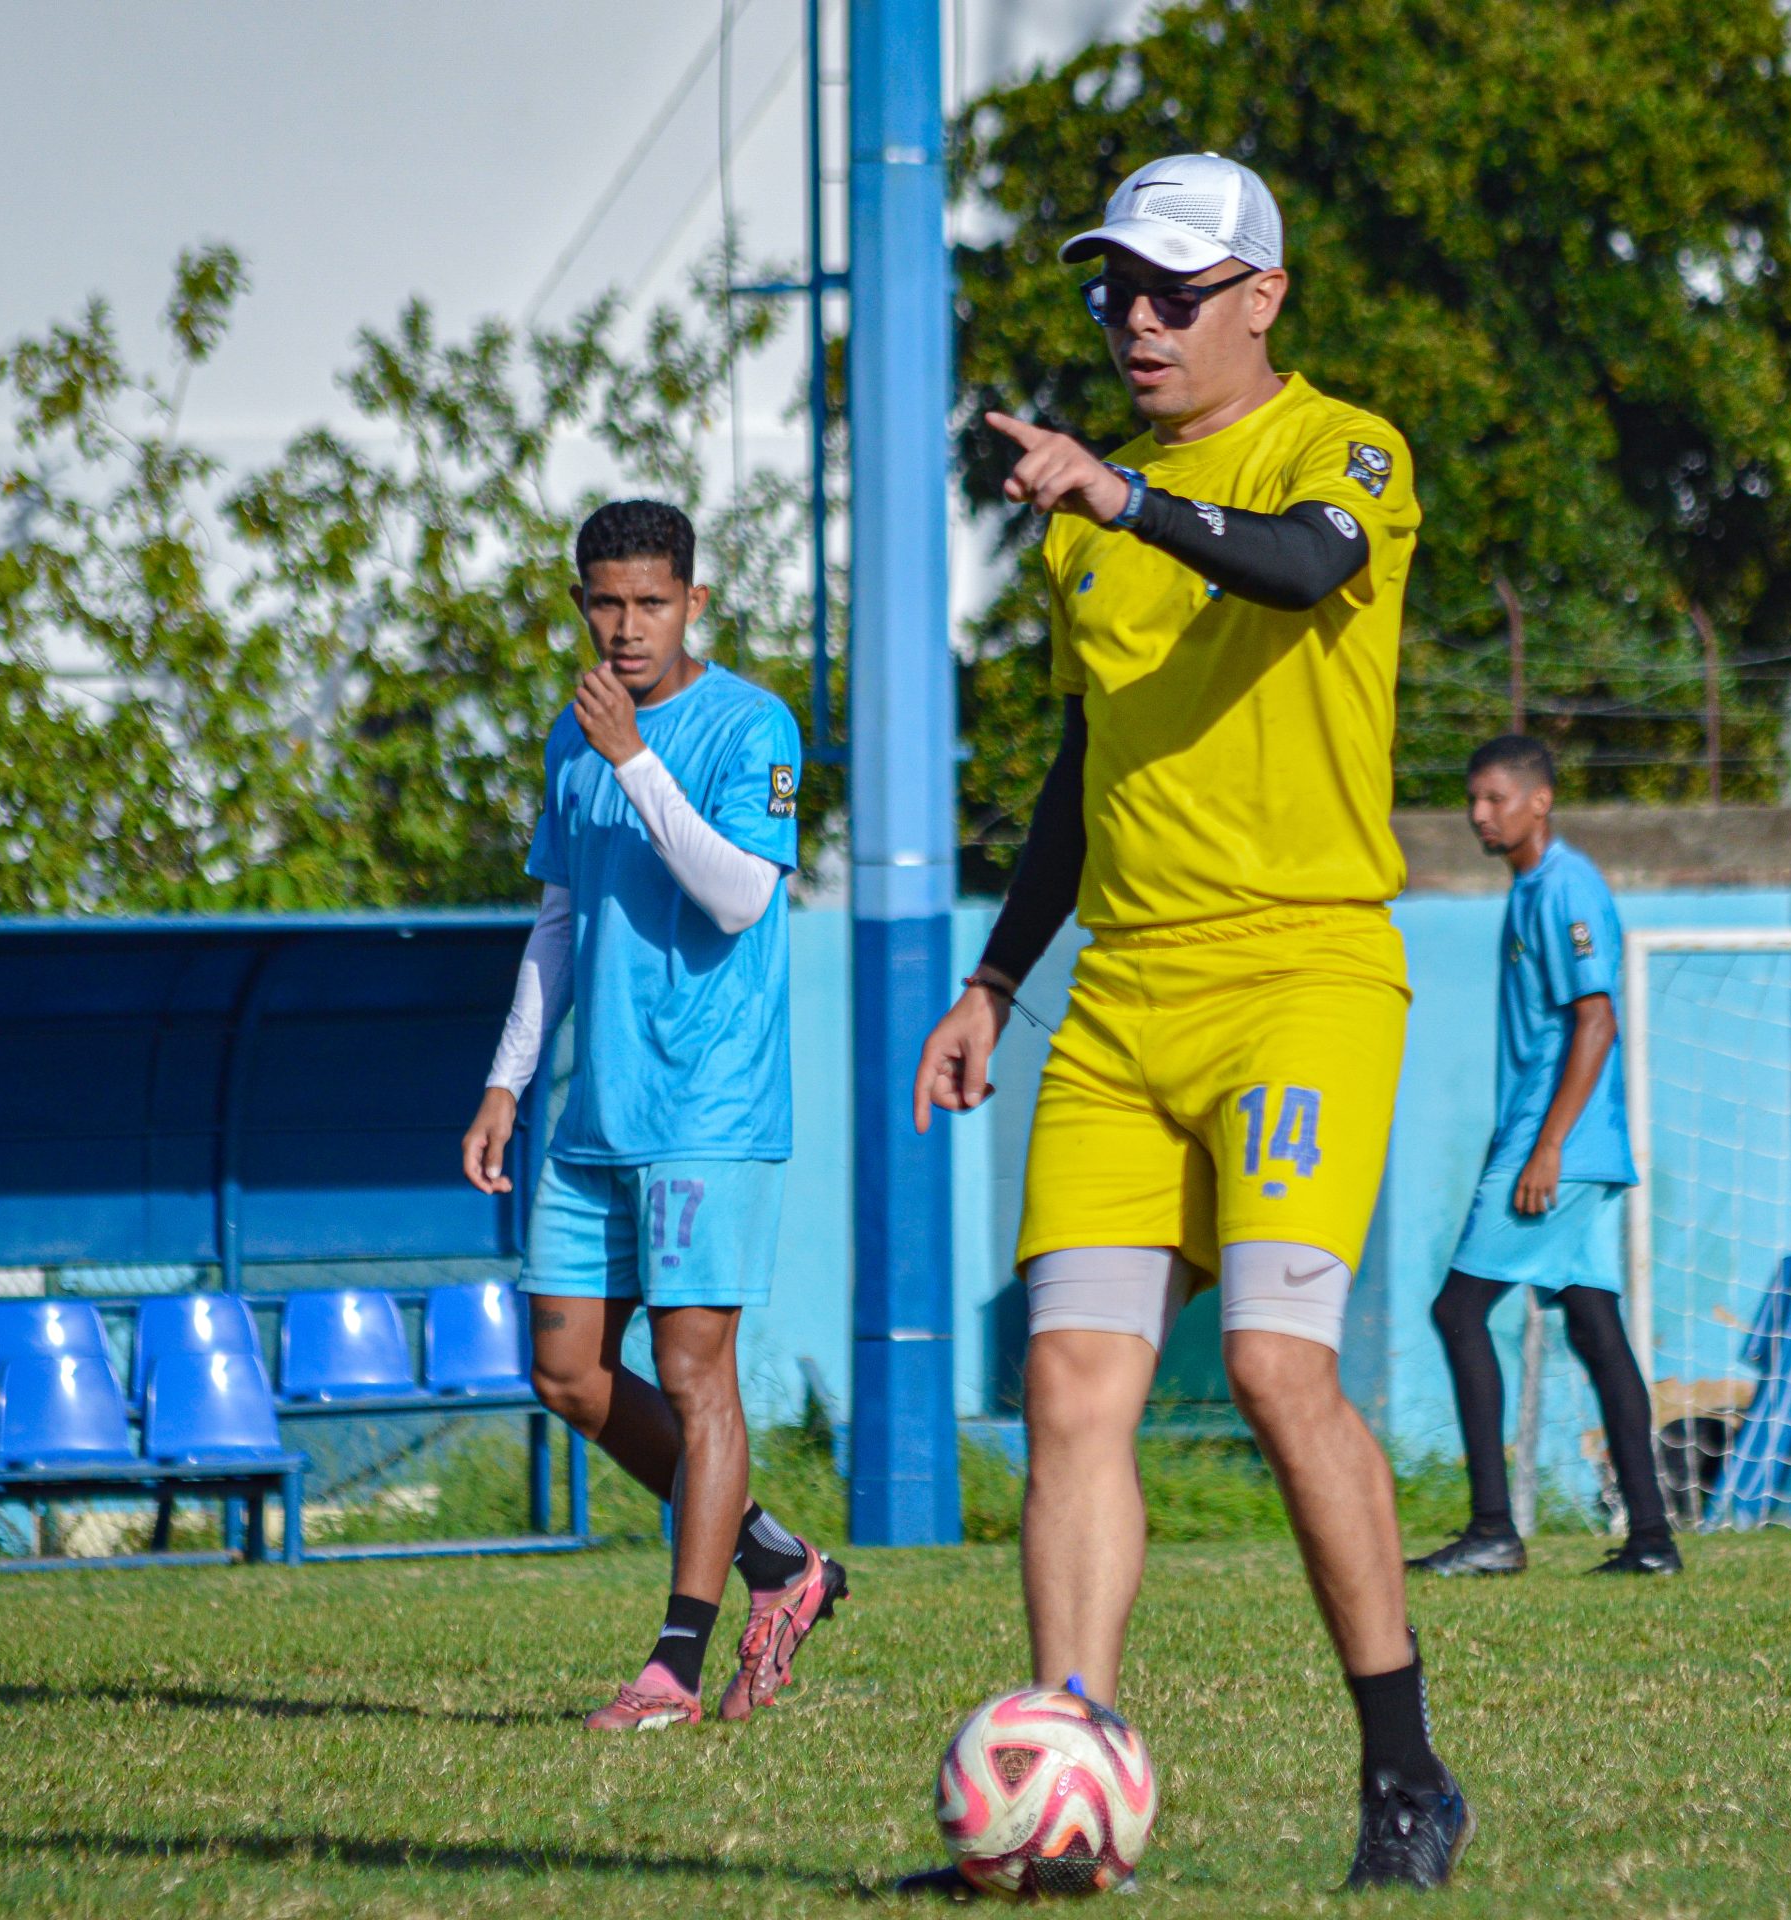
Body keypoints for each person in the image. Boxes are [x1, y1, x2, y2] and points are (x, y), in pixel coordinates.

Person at [909, 153, 1469, 1890]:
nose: (1136, 321)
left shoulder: (1340, 445)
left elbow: (1303, 571)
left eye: (1172, 291)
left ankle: (1405, 1778)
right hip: (1119, 1005)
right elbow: (1088, 773)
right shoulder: (1101, 510)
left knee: (1274, 1366)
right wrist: (996, 977)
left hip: (1299, 981)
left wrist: (1116, 501)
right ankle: (1063, 1776)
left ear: (1261, 298)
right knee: (1072, 1385)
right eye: (1116, 293)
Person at [462, 499, 847, 1732]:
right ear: (581, 601)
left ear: (693, 602)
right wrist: (508, 1078)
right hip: (593, 1113)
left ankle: (675, 1665)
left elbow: (739, 897)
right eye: (605, 603)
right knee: (567, 1370)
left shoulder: (748, 724)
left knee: (694, 1373)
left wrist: (637, 757)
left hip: (709, 1108)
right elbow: (561, 919)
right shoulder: (573, 737)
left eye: (650, 603)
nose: (626, 628)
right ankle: (780, 1565)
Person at [1407, 735, 1683, 1579]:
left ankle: (1493, 1528)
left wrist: (1547, 1148)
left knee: (1458, 1312)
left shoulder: (1566, 887)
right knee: (1598, 1332)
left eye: (1494, 798)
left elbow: (1597, 1020)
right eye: (1472, 798)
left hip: (1555, 1147)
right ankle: (1651, 1540)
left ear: (1540, 801)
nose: (1478, 813)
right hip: (1555, 1143)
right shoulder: (1531, 889)